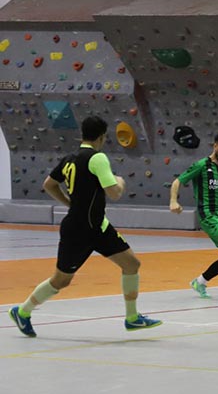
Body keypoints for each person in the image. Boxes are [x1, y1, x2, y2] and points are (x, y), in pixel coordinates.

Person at [8, 116, 162, 337]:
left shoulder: (70, 159)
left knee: (131, 264)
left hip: (98, 226)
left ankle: (132, 318)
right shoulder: (97, 158)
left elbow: (49, 184)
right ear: (102, 137)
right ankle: (22, 311)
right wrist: (120, 180)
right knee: (61, 280)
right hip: (79, 231)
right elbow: (115, 193)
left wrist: (69, 203)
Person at [170, 132, 218, 300]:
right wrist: (174, 201)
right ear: (215, 146)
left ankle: (200, 282)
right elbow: (177, 181)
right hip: (208, 214)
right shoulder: (201, 165)